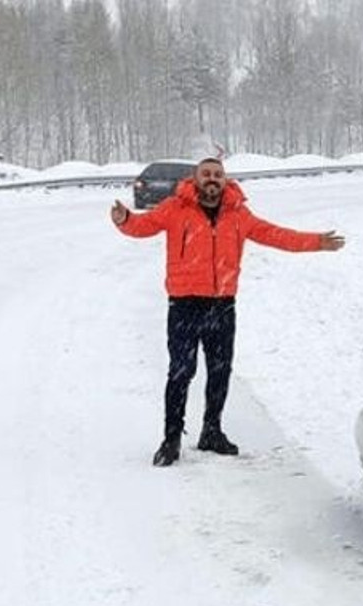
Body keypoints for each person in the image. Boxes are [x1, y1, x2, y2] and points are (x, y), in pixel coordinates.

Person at [110, 157, 345, 467]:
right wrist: (124, 219)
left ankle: (211, 431)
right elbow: (142, 226)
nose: (212, 179)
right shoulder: (174, 208)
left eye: (217, 175)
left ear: (225, 180)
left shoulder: (238, 214)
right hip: (184, 305)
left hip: (222, 305)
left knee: (220, 372)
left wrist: (316, 243)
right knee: (181, 372)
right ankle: (171, 439)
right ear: (195, 179)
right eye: (206, 174)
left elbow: (276, 235)